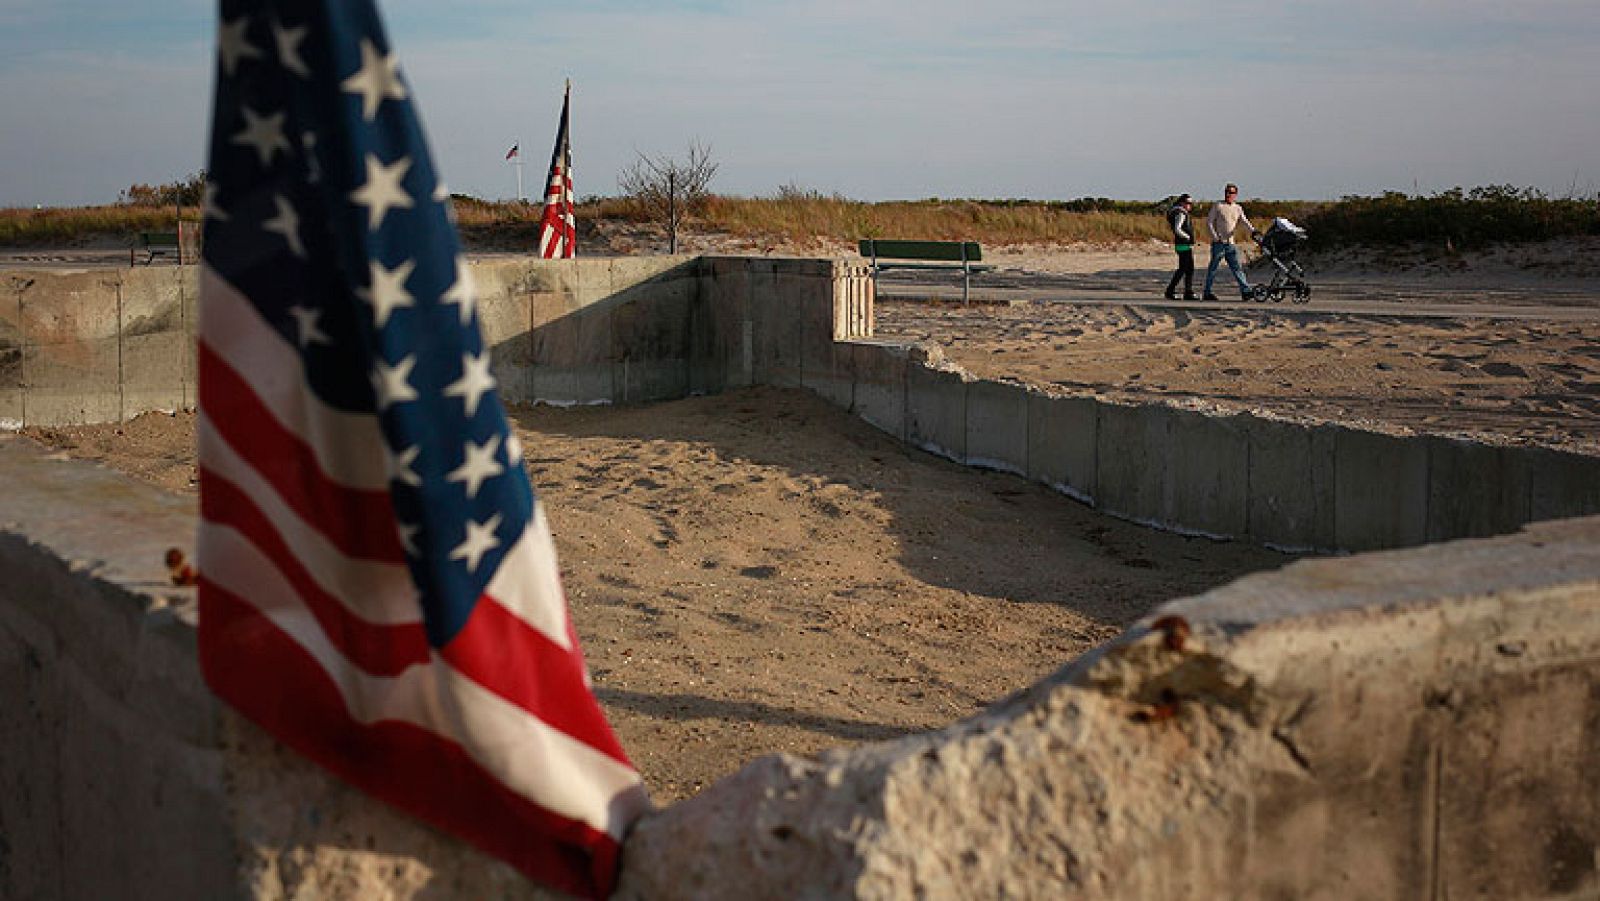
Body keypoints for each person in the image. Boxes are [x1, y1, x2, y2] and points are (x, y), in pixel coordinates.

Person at [1203, 183, 1260, 301]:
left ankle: (1245, 291)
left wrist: (1253, 231)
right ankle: (1207, 292)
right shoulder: (1218, 205)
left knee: (1237, 268)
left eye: (1231, 192)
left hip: (1230, 243)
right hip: (1219, 243)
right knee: (1213, 268)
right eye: (1227, 192)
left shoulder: (1238, 208)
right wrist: (1215, 237)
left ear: (1236, 194)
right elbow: (1209, 222)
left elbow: (1244, 221)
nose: (1228, 194)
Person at [1163, 193, 1197, 300]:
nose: (1190, 205)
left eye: (1191, 203)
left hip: (1183, 244)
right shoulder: (1181, 213)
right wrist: (1187, 237)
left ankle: (1188, 292)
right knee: (1184, 269)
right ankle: (1171, 291)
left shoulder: (1179, 212)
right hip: (1183, 244)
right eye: (1188, 203)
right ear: (1182, 203)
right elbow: (1177, 229)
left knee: (1188, 268)